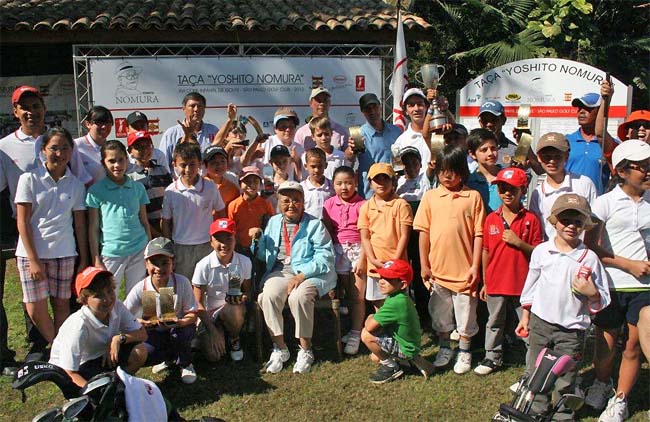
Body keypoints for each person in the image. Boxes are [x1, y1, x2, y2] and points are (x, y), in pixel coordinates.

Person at [516, 193, 610, 420]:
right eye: (565, 220)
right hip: (540, 323)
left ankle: (562, 413)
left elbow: (604, 297)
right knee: (537, 369)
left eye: (578, 222)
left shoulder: (588, 258)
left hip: (572, 329)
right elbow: (531, 287)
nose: (571, 226)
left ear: (585, 226)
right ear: (554, 221)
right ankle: (537, 409)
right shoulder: (542, 251)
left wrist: (592, 293)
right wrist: (525, 317)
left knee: (565, 375)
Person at [583, 140, 650, 421]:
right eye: (642, 167)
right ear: (622, 172)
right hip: (610, 283)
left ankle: (620, 399)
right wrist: (628, 264)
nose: (648, 171)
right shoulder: (604, 202)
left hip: (644, 287)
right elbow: (591, 246)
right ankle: (601, 382)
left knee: (633, 347)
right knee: (606, 347)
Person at [413, 145, 485, 374]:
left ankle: (464, 350)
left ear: (462, 171)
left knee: (466, 313)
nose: (447, 175)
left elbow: (479, 235)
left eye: (452, 170)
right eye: (443, 170)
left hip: (465, 271)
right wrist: (424, 265)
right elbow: (423, 233)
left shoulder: (473, 197)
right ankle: (445, 346)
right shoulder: (431, 197)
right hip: (437, 271)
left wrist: (475, 266)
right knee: (440, 312)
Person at [15, 127, 89, 345]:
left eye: (65, 148)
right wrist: (34, 259)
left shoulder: (76, 185)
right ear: (43, 150)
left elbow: (80, 226)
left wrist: (83, 258)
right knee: (35, 307)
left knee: (61, 304)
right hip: (31, 255)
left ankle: (61, 353)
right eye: (54, 148)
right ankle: (58, 348)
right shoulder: (29, 179)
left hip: (64, 253)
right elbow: (23, 221)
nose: (60, 153)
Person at [254, 181, 336, 374]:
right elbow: (263, 255)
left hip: (310, 273)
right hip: (281, 271)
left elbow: (325, 257)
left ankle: (306, 349)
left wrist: (301, 275)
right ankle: (280, 348)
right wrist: (257, 240)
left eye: (296, 200)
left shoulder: (315, 225)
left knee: (299, 297)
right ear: (279, 202)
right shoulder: (273, 222)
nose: (291, 205)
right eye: (286, 201)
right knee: (268, 296)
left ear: (303, 202)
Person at [474, 167, 543, 375]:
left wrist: (519, 243)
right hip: (496, 281)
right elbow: (486, 251)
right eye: (502, 188)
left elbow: (538, 253)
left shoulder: (531, 219)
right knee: (494, 321)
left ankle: (533, 360)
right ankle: (492, 356)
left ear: (523, 190)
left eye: (512, 189)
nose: (507, 193)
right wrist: (485, 282)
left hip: (523, 284)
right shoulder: (491, 219)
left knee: (527, 323)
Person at [49, 266, 148, 388]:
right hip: (79, 367)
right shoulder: (79, 325)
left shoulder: (117, 306)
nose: (107, 299)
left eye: (110, 291)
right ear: (84, 300)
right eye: (98, 295)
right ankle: (106, 391)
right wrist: (93, 391)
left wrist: (118, 338)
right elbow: (69, 372)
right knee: (99, 395)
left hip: (102, 356)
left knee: (139, 351)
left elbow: (142, 334)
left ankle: (119, 385)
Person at [124, 237, 198, 384]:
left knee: (179, 335)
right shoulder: (142, 287)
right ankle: (168, 358)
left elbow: (192, 314)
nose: (159, 269)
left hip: (179, 329)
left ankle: (185, 363)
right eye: (154, 263)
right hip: (155, 332)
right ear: (146, 264)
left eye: (165, 263)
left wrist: (180, 322)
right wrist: (140, 322)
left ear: (173, 264)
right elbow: (124, 315)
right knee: (147, 354)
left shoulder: (181, 282)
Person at [87, 140, 151, 295]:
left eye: (121, 160)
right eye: (111, 161)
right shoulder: (95, 191)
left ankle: (135, 320)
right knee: (108, 295)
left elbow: (144, 221)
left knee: (138, 294)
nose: (117, 165)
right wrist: (96, 258)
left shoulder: (138, 188)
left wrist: (149, 250)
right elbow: (93, 228)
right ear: (103, 163)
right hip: (112, 252)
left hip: (138, 248)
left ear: (127, 159)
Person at [161, 142, 225, 279]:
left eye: (192, 164)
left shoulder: (210, 187)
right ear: (175, 165)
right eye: (183, 165)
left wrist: (217, 239)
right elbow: (165, 222)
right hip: (181, 247)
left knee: (206, 283)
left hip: (206, 245)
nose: (188, 169)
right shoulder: (171, 191)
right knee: (182, 282)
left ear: (200, 164)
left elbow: (220, 214)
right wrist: (169, 247)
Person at [192, 218, 251, 363]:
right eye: (218, 239)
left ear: (235, 239)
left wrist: (243, 298)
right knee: (214, 357)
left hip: (232, 310)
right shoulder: (203, 265)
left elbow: (248, 291)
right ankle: (216, 335)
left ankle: (234, 339)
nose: (224, 244)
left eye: (228, 239)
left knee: (233, 310)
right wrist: (212, 330)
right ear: (211, 242)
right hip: (209, 313)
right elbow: (197, 303)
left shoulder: (244, 262)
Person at [322, 166, 366, 355]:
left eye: (348, 182)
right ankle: (348, 329)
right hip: (338, 250)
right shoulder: (329, 204)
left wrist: (363, 257)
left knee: (358, 295)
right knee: (343, 292)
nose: (344, 187)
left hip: (359, 250)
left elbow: (367, 234)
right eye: (339, 183)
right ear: (333, 185)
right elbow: (329, 231)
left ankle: (356, 333)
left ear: (355, 182)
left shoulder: (364, 204)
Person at [358, 163, 413, 309]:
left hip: (397, 265)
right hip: (375, 265)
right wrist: (372, 259)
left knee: (397, 302)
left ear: (393, 182)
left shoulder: (401, 205)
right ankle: (383, 331)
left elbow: (404, 236)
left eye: (385, 179)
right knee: (379, 303)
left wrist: (395, 261)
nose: (381, 183)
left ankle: (398, 331)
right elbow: (365, 237)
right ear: (370, 183)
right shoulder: (366, 207)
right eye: (377, 179)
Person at [361, 259, 421, 384]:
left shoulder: (395, 302)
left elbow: (370, 326)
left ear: (403, 284)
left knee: (366, 335)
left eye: (388, 278)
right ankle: (405, 362)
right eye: (381, 277)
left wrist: (370, 316)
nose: (381, 281)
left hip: (406, 349)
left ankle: (392, 367)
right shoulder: (399, 297)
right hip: (408, 344)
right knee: (375, 357)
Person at [529, 132, 597, 240]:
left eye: (558, 156)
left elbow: (594, 220)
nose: (552, 161)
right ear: (539, 158)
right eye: (547, 157)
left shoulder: (584, 183)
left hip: (580, 251)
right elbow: (537, 229)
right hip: (551, 253)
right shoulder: (537, 194)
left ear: (566, 156)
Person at [395, 146, 433, 321]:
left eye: (414, 162)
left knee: (420, 270)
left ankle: (424, 312)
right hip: (403, 229)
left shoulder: (424, 178)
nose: (410, 167)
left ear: (420, 163)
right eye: (407, 163)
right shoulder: (399, 181)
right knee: (404, 270)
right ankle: (405, 309)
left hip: (420, 230)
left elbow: (432, 169)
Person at [566, 87, 617, 194]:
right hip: (568, 205)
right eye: (579, 108)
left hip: (596, 206)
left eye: (587, 108)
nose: (581, 112)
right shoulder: (566, 141)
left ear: (599, 112)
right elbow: (541, 169)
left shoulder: (608, 144)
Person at [126, 131, 173, 238]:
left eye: (147, 146)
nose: (144, 150)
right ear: (130, 151)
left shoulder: (162, 170)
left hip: (167, 223)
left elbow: (171, 197)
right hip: (145, 228)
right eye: (138, 147)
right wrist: (153, 232)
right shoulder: (130, 177)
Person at [355, 93, 402, 198]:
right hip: (370, 194)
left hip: (395, 191)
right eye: (367, 109)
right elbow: (349, 158)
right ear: (363, 112)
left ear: (380, 106)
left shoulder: (396, 131)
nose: (372, 111)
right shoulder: (359, 134)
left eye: (374, 107)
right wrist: (350, 151)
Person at [159, 92, 219, 171]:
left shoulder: (213, 130)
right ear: (184, 109)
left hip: (207, 181)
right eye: (192, 106)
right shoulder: (171, 134)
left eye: (200, 106)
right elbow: (163, 164)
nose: (196, 109)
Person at [227, 166, 275, 254]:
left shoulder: (266, 205)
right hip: (240, 248)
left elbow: (272, 226)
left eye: (255, 181)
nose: (251, 185)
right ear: (240, 183)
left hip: (260, 248)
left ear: (260, 184)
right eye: (247, 182)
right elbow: (231, 230)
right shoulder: (233, 205)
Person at [294, 86, 350, 152]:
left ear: (329, 103)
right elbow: (297, 159)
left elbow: (348, 159)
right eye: (318, 100)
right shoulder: (301, 133)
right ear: (311, 103)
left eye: (325, 100)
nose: (322, 103)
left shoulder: (341, 131)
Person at [392, 88, 432, 172]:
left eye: (420, 104)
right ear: (406, 111)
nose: (416, 109)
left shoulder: (437, 134)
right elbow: (399, 174)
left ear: (426, 107)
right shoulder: (401, 141)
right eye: (411, 105)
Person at [74, 106, 115, 184]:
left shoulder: (112, 148)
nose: (104, 127)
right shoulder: (76, 146)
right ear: (88, 124)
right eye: (99, 122)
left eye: (108, 123)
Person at [466, 128, 502, 213]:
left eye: (493, 148)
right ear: (472, 154)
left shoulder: (506, 178)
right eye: (484, 150)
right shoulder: (468, 183)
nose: (490, 153)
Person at [304, 116, 347, 181]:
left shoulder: (341, 156)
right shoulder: (307, 157)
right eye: (319, 135)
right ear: (313, 137)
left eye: (326, 134)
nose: (323, 138)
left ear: (331, 134)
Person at [476, 100, 517, 168]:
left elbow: (524, 175)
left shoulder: (514, 150)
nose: (489, 124)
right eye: (484, 120)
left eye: (493, 120)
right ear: (480, 122)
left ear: (503, 120)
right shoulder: (471, 147)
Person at [300, 148, 334, 219]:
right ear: (306, 166)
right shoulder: (301, 188)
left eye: (320, 166)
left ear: (326, 165)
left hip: (328, 227)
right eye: (313, 166)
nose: (316, 170)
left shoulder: (332, 186)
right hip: (309, 226)